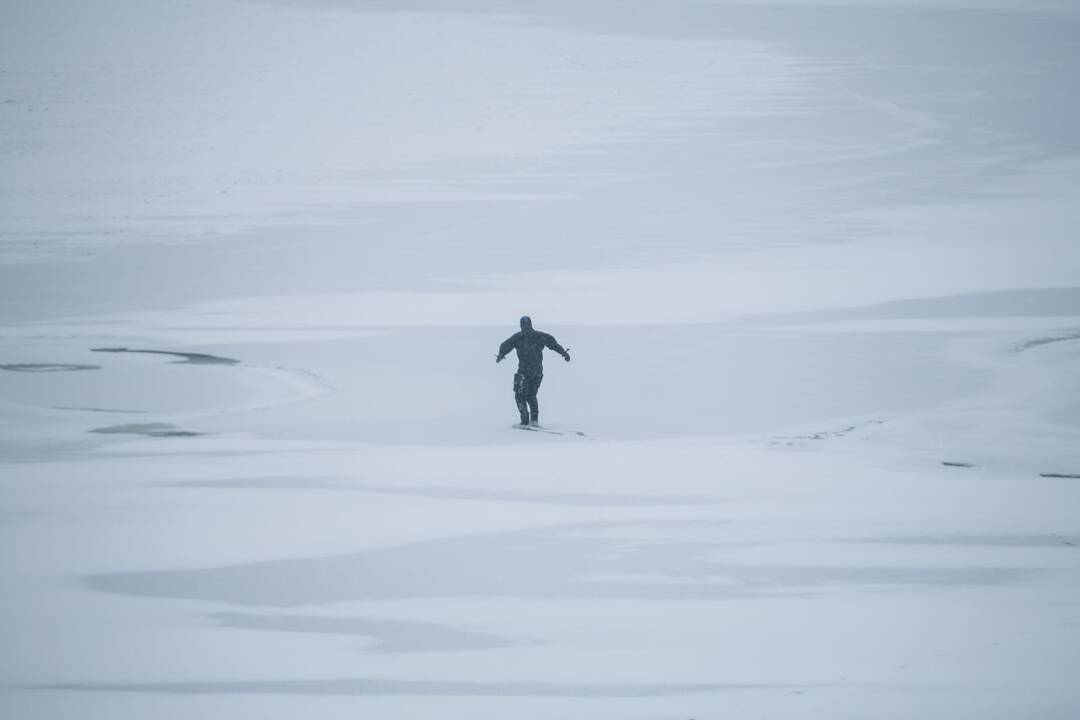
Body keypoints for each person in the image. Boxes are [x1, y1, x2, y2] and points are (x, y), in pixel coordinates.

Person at [496, 316, 570, 427]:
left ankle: (525, 420)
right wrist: (563, 353)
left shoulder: (518, 337)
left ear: (521, 325)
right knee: (531, 395)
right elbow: (553, 344)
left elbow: (505, 345)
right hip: (537, 372)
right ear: (531, 324)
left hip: (524, 372)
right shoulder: (540, 336)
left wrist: (501, 355)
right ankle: (534, 420)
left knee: (519, 396)